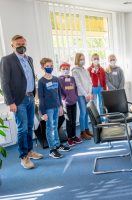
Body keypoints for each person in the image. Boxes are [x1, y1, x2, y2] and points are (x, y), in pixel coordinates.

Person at [0, 35, 43, 169]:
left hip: (30, 97)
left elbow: (30, 78)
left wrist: (35, 96)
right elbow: (5, 83)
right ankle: (23, 157)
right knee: (22, 129)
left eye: (23, 43)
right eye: (18, 44)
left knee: (29, 126)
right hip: (18, 100)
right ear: (12, 45)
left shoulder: (29, 59)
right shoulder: (7, 60)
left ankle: (29, 151)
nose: (21, 46)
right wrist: (10, 102)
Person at [38, 58, 71, 159]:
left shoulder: (56, 79)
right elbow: (41, 98)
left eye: (51, 66)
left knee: (56, 126)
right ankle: (52, 149)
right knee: (50, 128)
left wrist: (61, 106)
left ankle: (58, 144)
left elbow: (59, 94)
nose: (49, 68)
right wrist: (43, 113)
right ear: (43, 67)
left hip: (57, 106)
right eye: (47, 66)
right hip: (48, 109)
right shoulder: (41, 81)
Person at [58, 62, 82, 146]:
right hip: (66, 104)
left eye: (67, 69)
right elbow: (60, 91)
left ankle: (74, 136)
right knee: (69, 121)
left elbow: (75, 88)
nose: (65, 70)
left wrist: (75, 96)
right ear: (60, 70)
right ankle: (69, 138)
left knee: (74, 120)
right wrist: (64, 98)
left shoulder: (72, 78)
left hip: (73, 102)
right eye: (63, 69)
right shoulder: (59, 79)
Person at [72, 53, 93, 140]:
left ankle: (87, 130)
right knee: (83, 113)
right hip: (81, 95)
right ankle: (82, 132)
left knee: (87, 113)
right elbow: (78, 84)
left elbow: (90, 82)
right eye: (81, 59)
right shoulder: (74, 70)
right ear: (77, 59)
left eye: (83, 59)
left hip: (88, 94)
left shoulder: (85, 70)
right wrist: (85, 94)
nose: (82, 61)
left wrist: (89, 93)